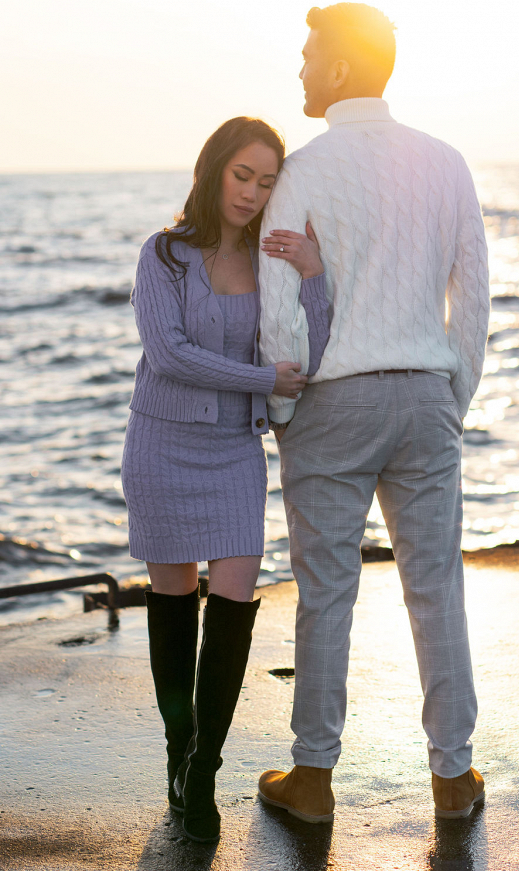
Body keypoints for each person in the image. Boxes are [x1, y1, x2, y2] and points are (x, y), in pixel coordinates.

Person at [257, 3, 490, 823]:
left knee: (326, 592)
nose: (301, 69)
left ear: (343, 71)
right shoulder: (447, 162)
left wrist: (284, 405)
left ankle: (314, 780)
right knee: (437, 588)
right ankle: (454, 779)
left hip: (333, 400)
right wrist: (450, 397)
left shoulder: (304, 171)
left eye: (310, 54)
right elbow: (474, 297)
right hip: (427, 396)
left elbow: (279, 303)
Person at [121, 117, 330, 843]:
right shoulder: (164, 255)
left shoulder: (272, 259)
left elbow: (308, 350)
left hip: (235, 453)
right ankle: (178, 748)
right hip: (162, 445)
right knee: (174, 603)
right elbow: (170, 353)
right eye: (242, 175)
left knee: (236, 598)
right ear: (214, 171)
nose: (251, 192)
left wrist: (312, 275)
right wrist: (258, 378)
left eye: (267, 181)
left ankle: (205, 764)